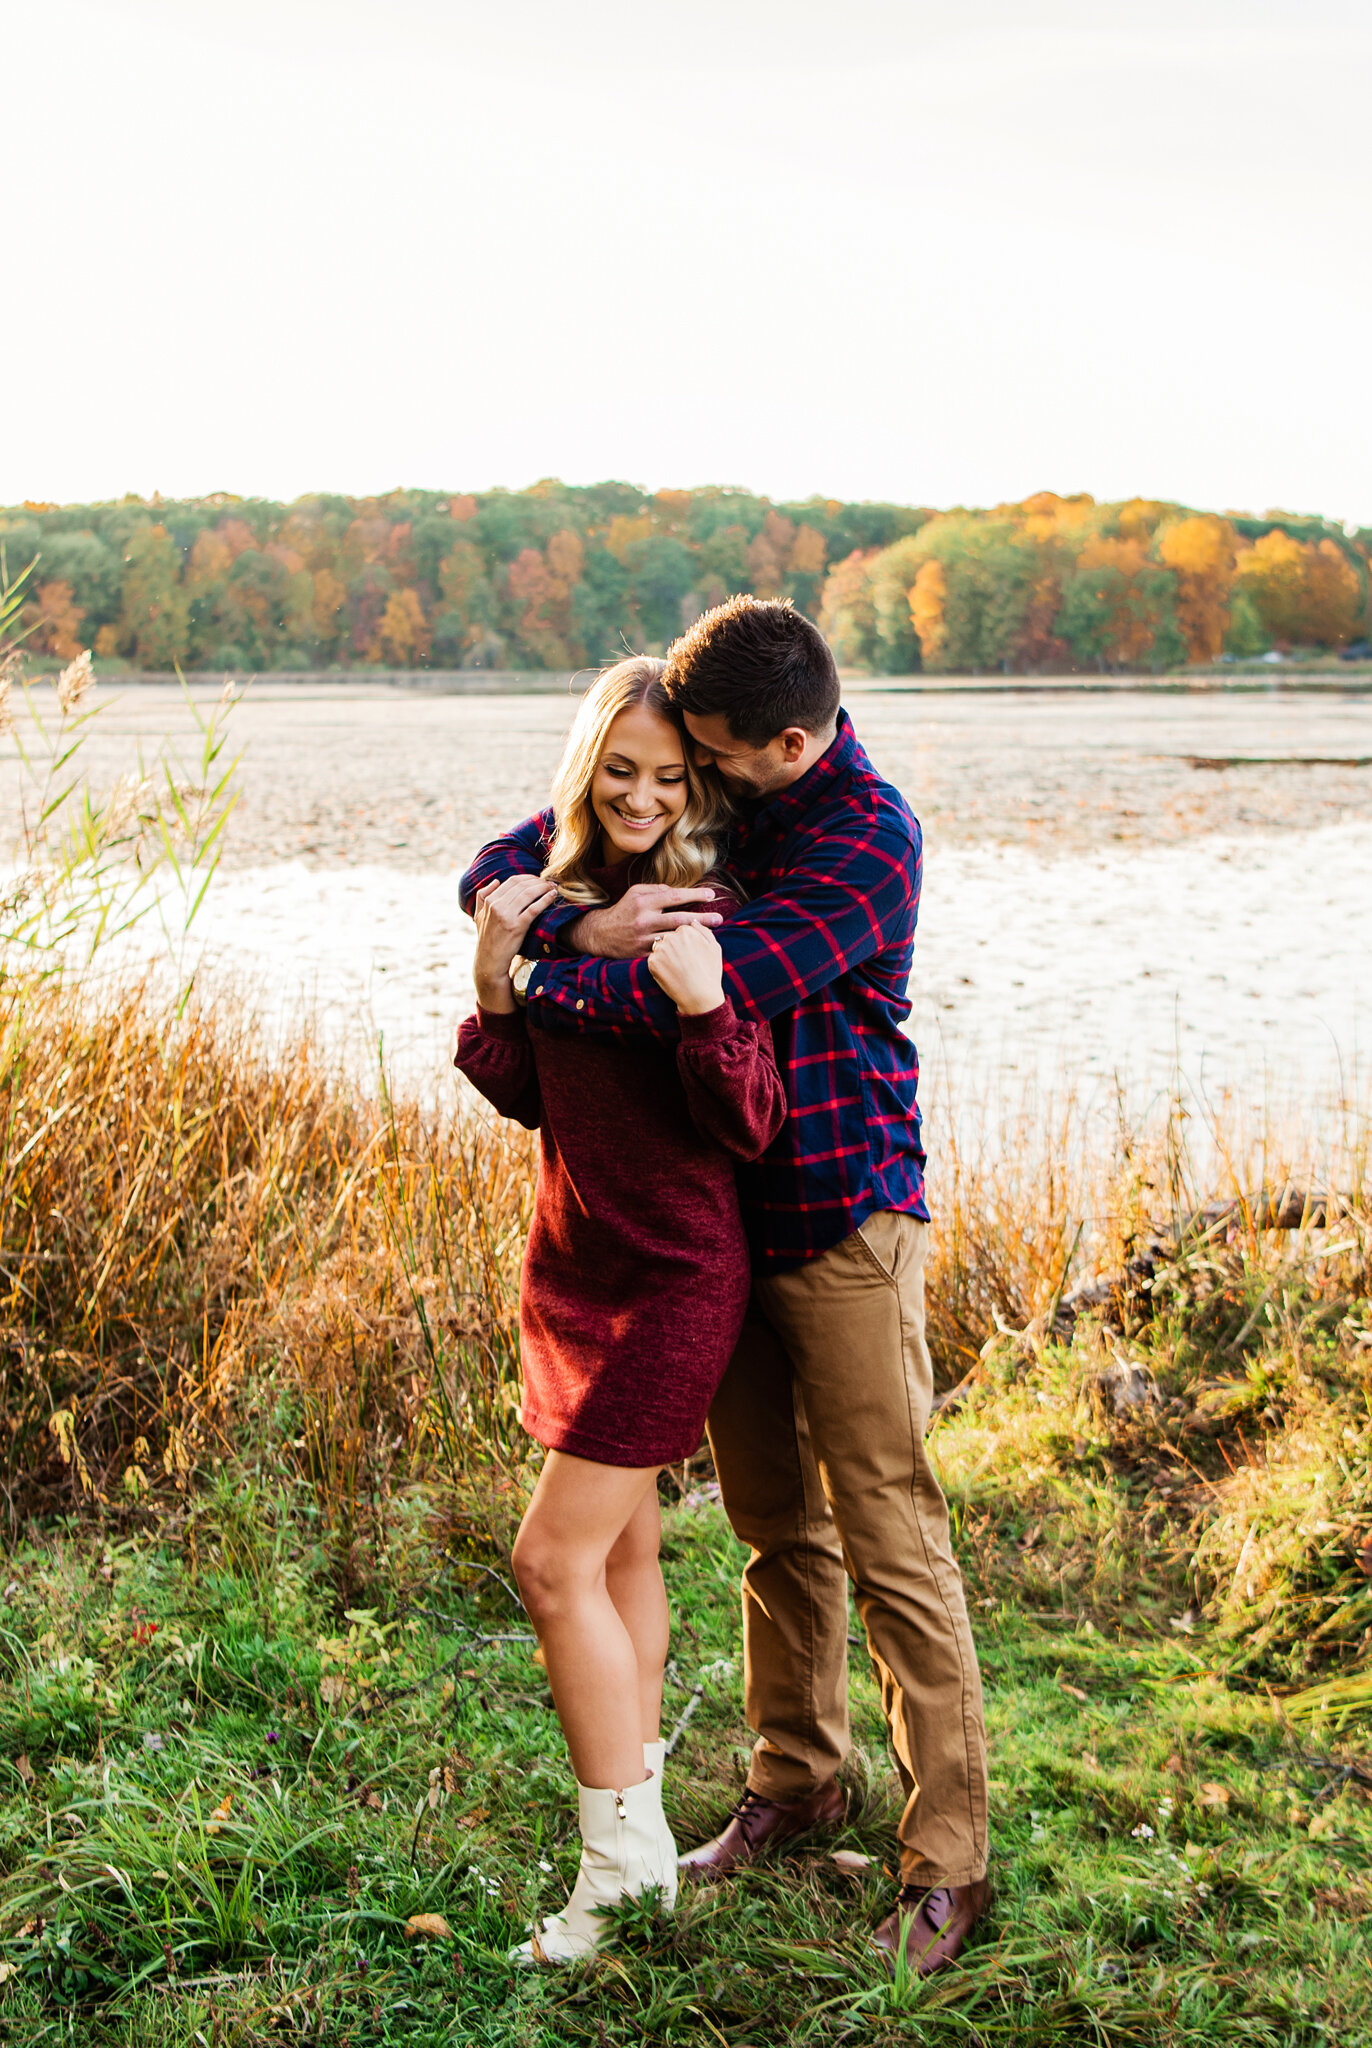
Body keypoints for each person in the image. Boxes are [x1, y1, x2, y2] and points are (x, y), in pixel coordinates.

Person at [459, 596, 990, 1976]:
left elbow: (689, 990)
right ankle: (798, 1781)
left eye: (708, 762)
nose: (688, 784)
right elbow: (507, 857)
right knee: (772, 1527)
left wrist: (549, 951)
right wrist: (538, 918)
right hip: (729, 1224)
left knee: (889, 1530)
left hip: (844, 1216)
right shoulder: (731, 786)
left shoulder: (869, 844)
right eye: (676, 758)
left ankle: (948, 1865)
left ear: (789, 742)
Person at [452, 655, 785, 1964]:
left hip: (675, 1272)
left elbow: (749, 1117)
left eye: (668, 772)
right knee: (622, 1551)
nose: (643, 792)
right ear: (590, 765)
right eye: (620, 769)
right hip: (573, 1260)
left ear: (698, 776)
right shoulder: (561, 897)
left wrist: (704, 1008)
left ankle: (618, 1873)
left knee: (549, 1561)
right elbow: (525, 1088)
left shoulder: (710, 908)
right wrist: (496, 977)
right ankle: (636, 1818)